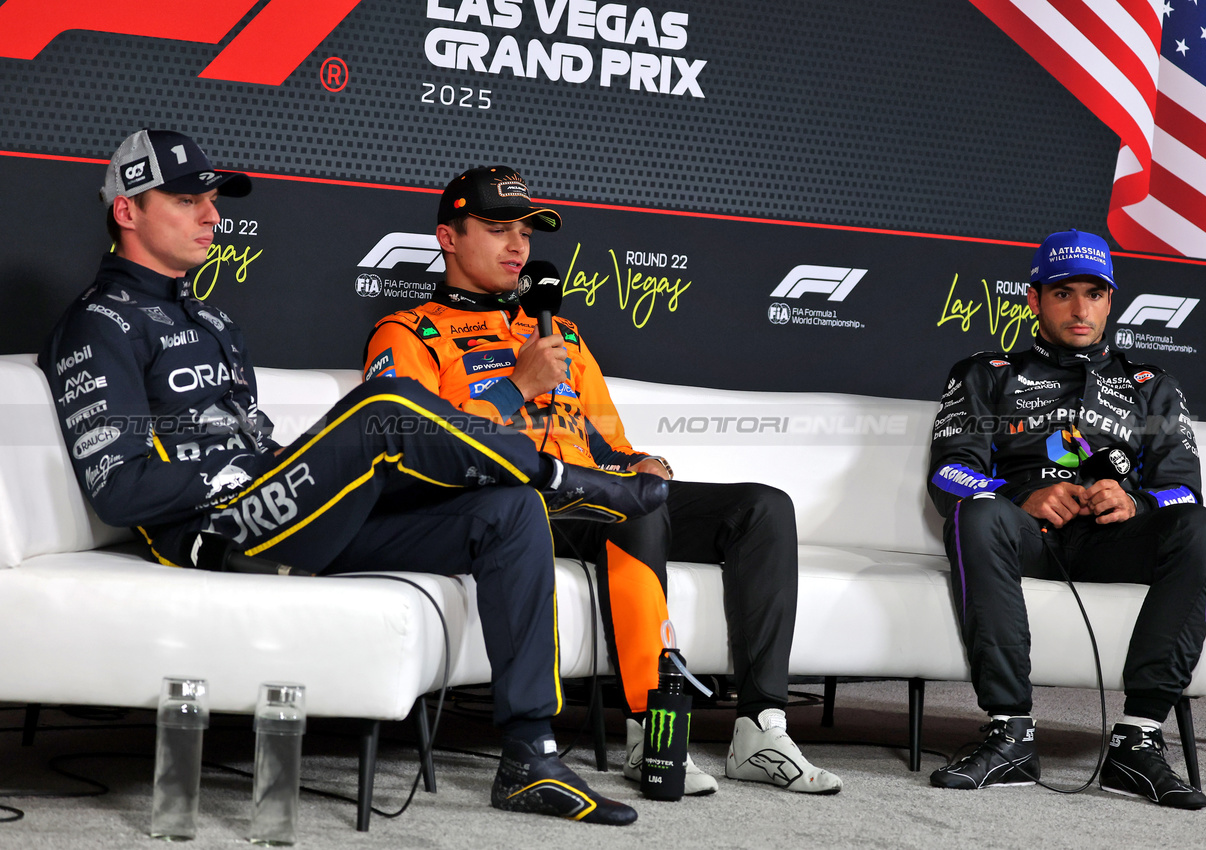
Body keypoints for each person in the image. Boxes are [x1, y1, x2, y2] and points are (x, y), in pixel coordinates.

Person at [39, 129, 673, 827]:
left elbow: (250, 439)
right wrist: (233, 476)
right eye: (187, 200)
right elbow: (118, 488)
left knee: (510, 510)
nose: (211, 216)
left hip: (281, 506)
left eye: (212, 200)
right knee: (383, 406)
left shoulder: (214, 317)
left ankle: (530, 755)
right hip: (218, 530)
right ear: (127, 212)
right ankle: (570, 480)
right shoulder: (97, 324)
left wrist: (279, 465)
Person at [362, 165, 843, 796]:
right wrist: (515, 388)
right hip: (506, 507)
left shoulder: (557, 333)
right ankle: (652, 733)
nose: (518, 247)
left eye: (526, 234)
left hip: (586, 491)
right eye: (497, 228)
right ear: (448, 238)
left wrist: (645, 465)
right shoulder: (408, 333)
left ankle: (760, 726)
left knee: (760, 509)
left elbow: (610, 445)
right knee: (631, 510)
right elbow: (413, 449)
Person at [926, 229, 1206, 809]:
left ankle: (1139, 741)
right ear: (1035, 299)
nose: (1080, 307)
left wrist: (1136, 503)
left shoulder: (1151, 386)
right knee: (975, 516)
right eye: (1064, 293)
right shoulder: (983, 372)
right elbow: (948, 476)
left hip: (1114, 541)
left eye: (1094, 293)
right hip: (1026, 536)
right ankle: (1010, 732)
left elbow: (1183, 491)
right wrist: (1017, 497)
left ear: (1111, 301)